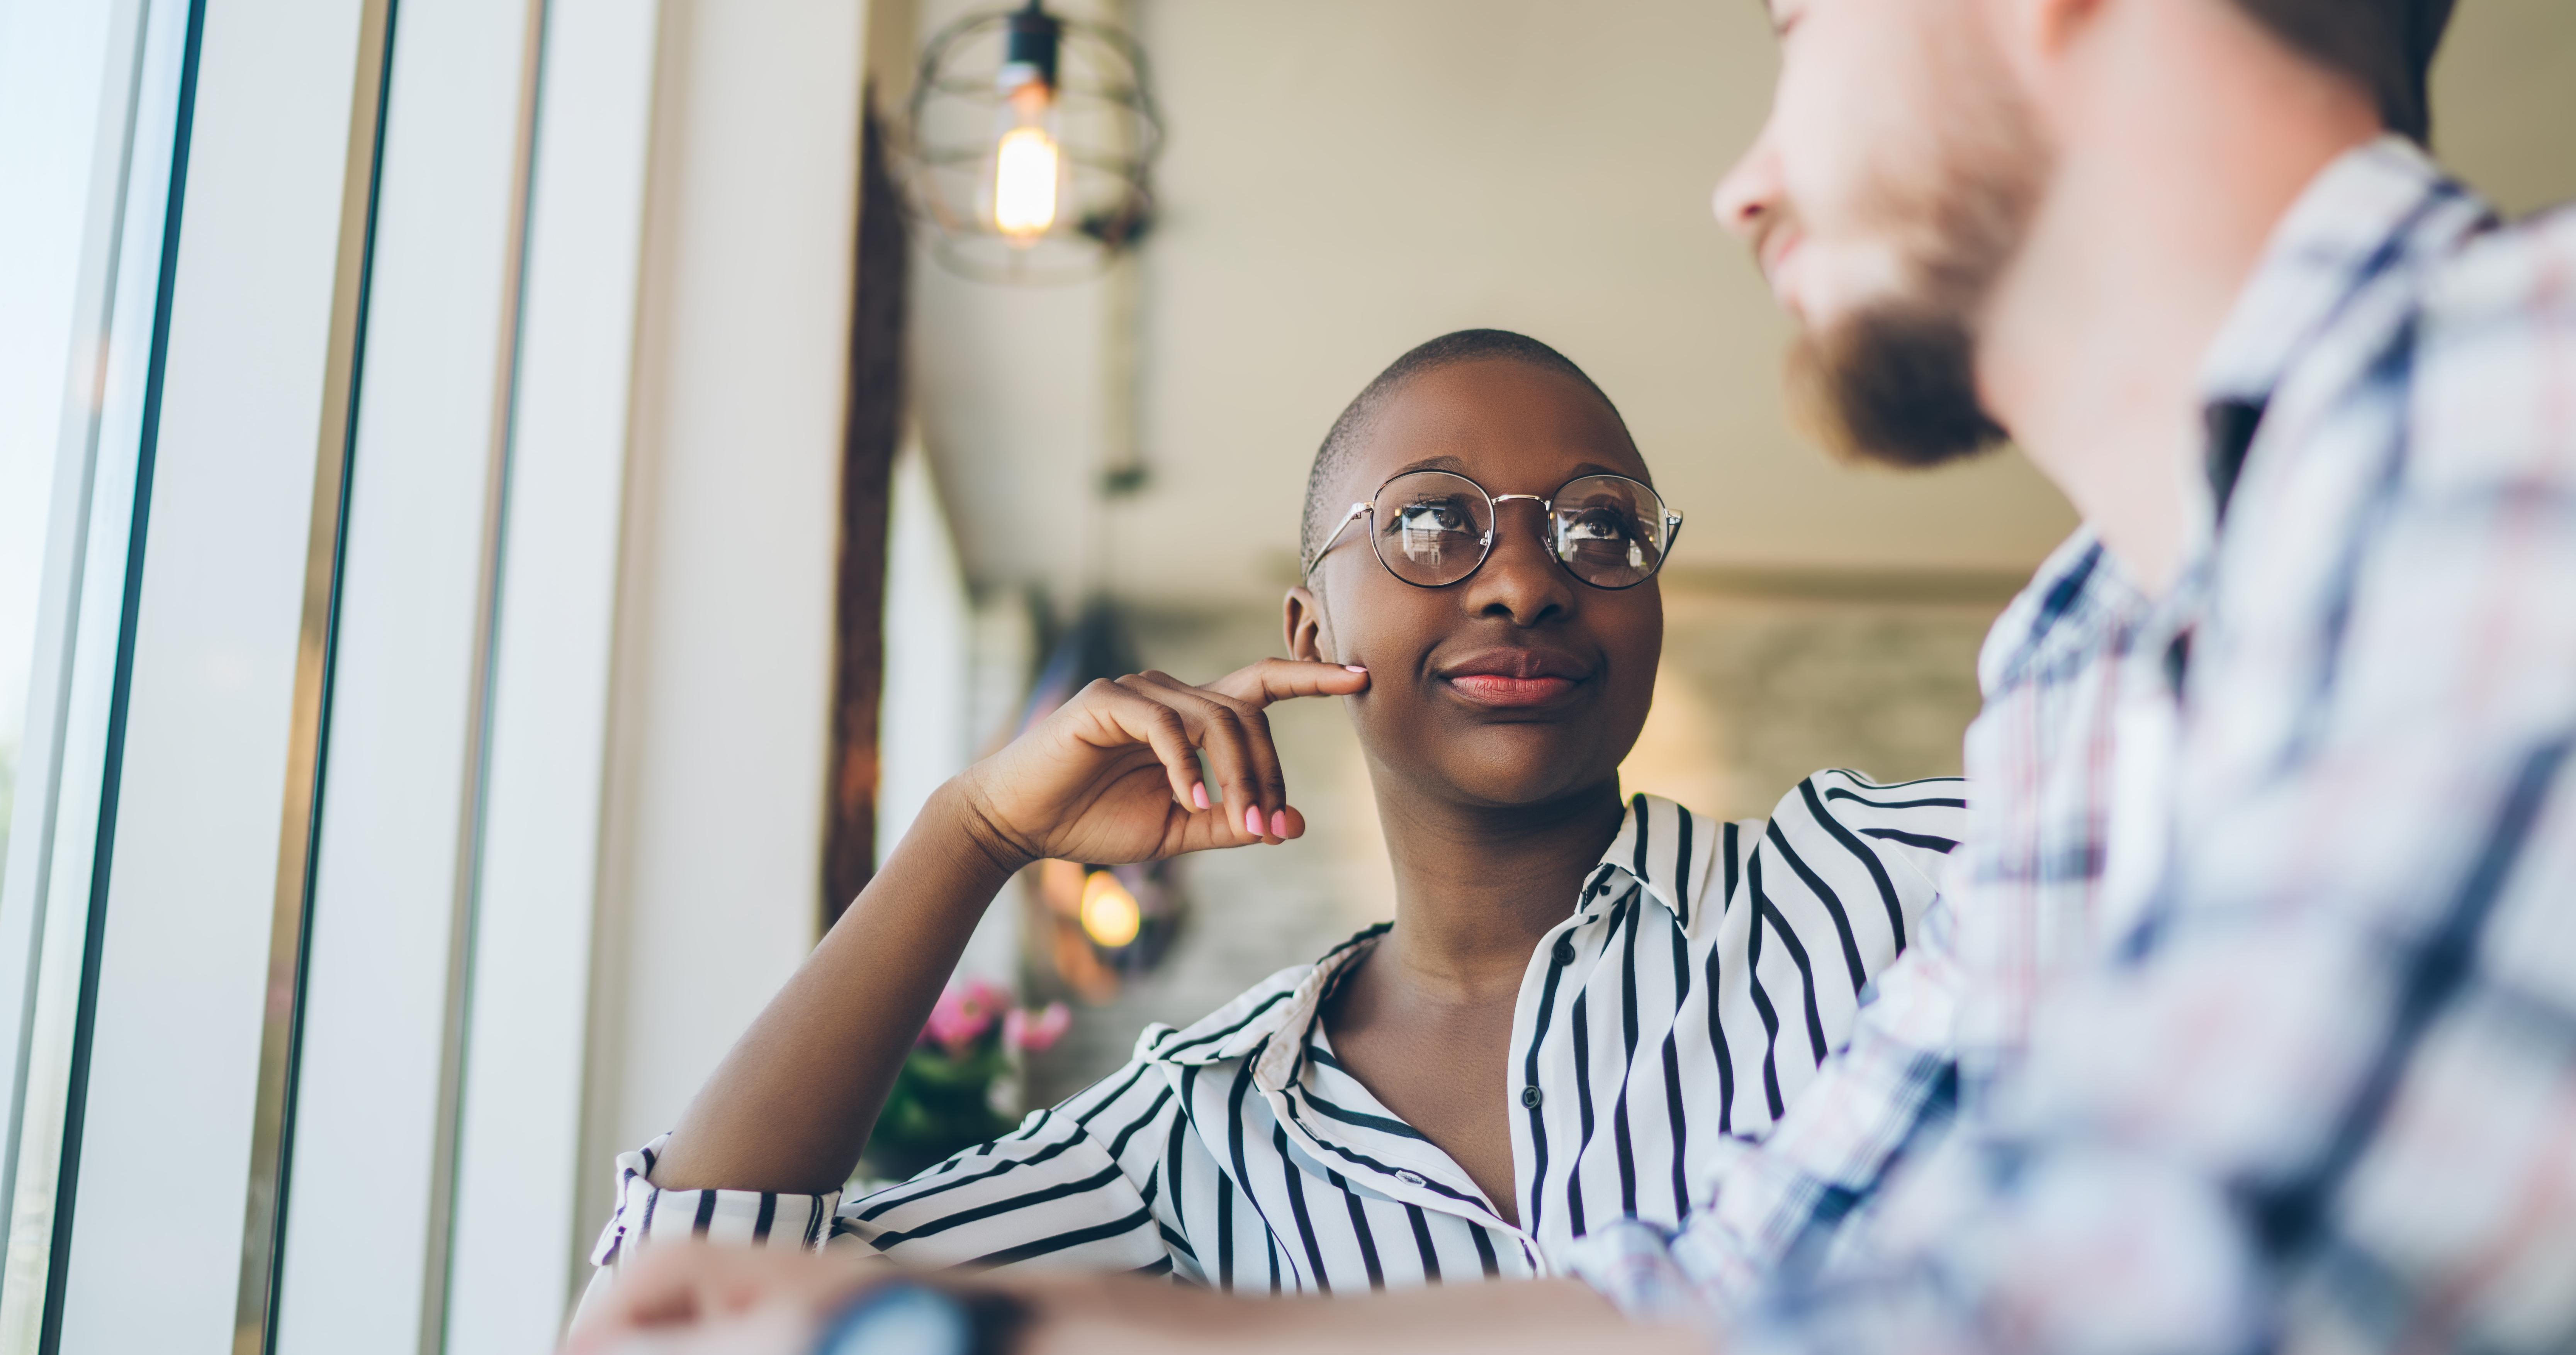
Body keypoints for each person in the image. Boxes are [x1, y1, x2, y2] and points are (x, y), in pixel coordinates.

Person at [400, 0, 2576, 1355]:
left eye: (1797, 15)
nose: (1742, 171)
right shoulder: (2096, 691)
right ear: (1317, 604)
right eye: (1439, 528)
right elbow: (1768, 1292)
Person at [584, 327, 1966, 1293]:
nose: (1527, 581)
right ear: (1310, 623)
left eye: (1597, 525)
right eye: (1434, 524)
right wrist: (973, 837)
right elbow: (687, 1327)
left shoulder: (1881, 888)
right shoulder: (1193, 1135)